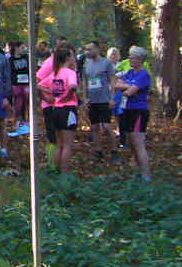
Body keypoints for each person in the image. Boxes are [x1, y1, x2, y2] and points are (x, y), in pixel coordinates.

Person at [37, 43, 78, 173]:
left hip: (55, 110)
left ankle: (56, 171)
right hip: (68, 109)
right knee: (67, 145)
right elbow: (72, 87)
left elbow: (38, 85)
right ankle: (65, 174)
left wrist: (47, 97)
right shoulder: (70, 73)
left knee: (59, 144)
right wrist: (67, 97)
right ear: (67, 58)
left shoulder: (55, 74)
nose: (74, 59)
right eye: (72, 56)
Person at [114, 46, 152, 181]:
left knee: (138, 142)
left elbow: (129, 92)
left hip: (139, 111)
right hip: (126, 110)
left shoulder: (144, 75)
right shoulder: (130, 72)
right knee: (130, 142)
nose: (130, 59)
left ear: (140, 59)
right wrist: (128, 87)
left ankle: (146, 175)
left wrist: (128, 88)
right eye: (130, 56)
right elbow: (117, 85)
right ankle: (138, 171)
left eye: (132, 57)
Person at [82, 40, 118, 163]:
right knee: (94, 126)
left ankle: (114, 151)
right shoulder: (87, 64)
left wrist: (113, 98)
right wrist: (85, 97)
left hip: (104, 99)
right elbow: (85, 82)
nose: (88, 51)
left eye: (90, 49)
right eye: (86, 49)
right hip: (93, 100)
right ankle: (98, 151)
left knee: (107, 126)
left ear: (97, 49)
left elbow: (113, 81)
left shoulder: (106, 63)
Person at [9, 41, 30, 133]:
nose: (24, 50)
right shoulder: (11, 60)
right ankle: (18, 122)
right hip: (16, 84)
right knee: (18, 102)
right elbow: (10, 73)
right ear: (16, 48)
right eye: (22, 48)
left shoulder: (26, 57)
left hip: (26, 83)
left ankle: (28, 122)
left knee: (28, 101)